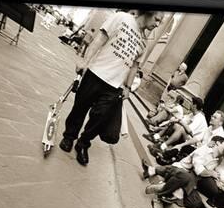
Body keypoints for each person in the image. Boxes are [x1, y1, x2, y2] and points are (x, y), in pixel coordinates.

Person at [59, 10, 164, 166]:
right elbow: (100, 39)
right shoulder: (121, 18)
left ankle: (83, 143)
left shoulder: (144, 42)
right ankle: (69, 137)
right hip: (95, 73)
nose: (157, 24)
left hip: (114, 86)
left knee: (99, 118)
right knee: (80, 108)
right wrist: (84, 61)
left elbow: (134, 66)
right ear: (149, 12)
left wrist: (128, 87)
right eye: (157, 19)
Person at [141, 136, 224, 208]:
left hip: (188, 182)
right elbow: (199, 171)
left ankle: (167, 187)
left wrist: (216, 179)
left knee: (196, 203)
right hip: (179, 171)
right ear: (217, 143)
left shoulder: (217, 160)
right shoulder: (204, 150)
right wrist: (211, 173)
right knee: (187, 176)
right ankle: (160, 197)